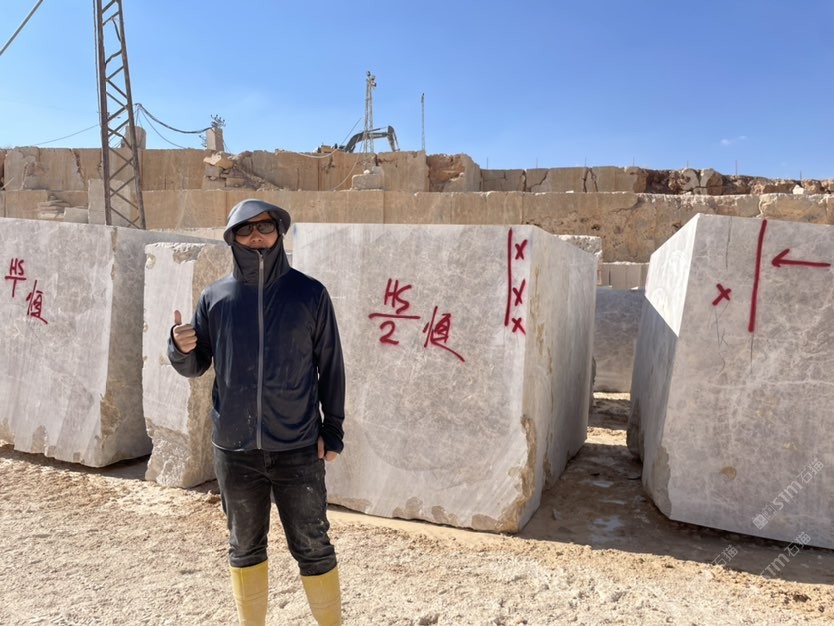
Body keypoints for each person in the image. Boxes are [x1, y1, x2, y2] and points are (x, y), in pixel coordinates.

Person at [168, 198, 345, 626]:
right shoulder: (216, 298)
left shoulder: (310, 294)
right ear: (233, 239)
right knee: (244, 547)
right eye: (245, 230)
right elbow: (197, 365)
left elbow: (331, 365)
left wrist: (333, 429)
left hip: (298, 448)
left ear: (278, 232)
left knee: (313, 546)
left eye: (264, 227)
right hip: (235, 449)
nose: (256, 236)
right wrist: (179, 348)